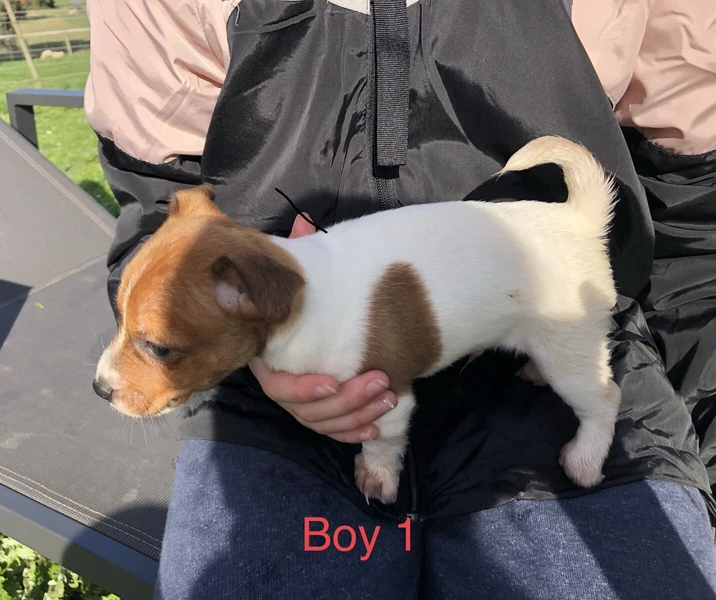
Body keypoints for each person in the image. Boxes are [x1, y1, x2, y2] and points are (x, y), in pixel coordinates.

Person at [83, 0, 716, 598]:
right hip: (272, 409)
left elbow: (696, 220)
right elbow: (161, 208)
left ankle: (593, 423)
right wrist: (255, 353)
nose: (108, 375)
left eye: (155, 348)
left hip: (554, 335)